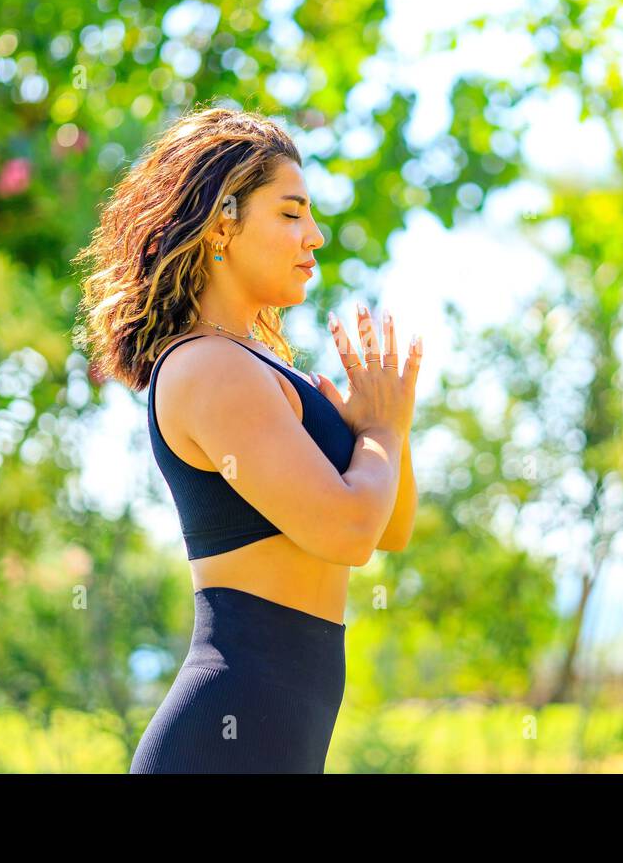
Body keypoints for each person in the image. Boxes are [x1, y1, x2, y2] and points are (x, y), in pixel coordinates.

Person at [75, 105, 422, 772]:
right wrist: (376, 432)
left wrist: (389, 427)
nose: (314, 236)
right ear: (219, 227)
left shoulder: (261, 368)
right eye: (290, 214)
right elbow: (349, 530)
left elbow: (389, 528)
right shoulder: (208, 366)